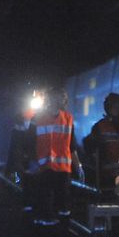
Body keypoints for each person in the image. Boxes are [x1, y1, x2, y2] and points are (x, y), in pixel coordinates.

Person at [32, 87, 83, 224]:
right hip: (44, 167)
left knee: (63, 203)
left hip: (63, 168)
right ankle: (46, 231)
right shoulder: (37, 118)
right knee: (46, 201)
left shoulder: (68, 118)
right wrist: (30, 163)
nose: (65, 100)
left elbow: (72, 145)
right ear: (52, 99)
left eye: (65, 97)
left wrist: (78, 165)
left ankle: (63, 232)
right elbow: (30, 142)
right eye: (62, 97)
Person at [83, 93, 119, 195]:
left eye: (118, 106)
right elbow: (88, 146)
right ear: (107, 108)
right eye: (112, 106)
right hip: (106, 174)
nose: (115, 109)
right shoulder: (99, 127)